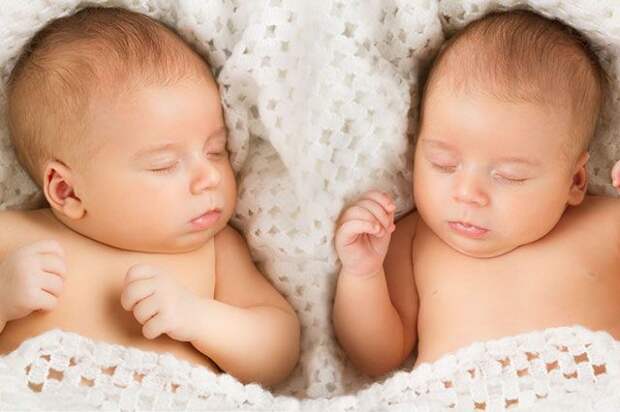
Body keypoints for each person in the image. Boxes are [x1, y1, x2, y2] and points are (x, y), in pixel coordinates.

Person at [0, 7, 300, 387]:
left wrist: (199, 318)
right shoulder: (14, 238)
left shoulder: (214, 250)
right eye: (164, 165)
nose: (209, 177)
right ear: (67, 190)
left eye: (216, 150)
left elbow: (279, 352)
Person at [332, 9, 620, 377]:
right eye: (444, 164)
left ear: (575, 181)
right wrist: (362, 274)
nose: (467, 193)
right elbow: (375, 357)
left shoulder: (606, 223)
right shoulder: (412, 239)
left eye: (509, 176)